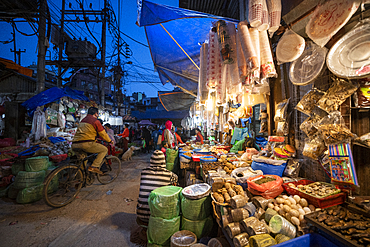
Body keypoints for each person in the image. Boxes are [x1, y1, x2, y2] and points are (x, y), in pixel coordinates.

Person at [136, 150, 178, 224]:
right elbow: (175, 185)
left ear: (151, 161)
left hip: (140, 214)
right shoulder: (170, 175)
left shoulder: (143, 172)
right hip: (158, 217)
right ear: (164, 162)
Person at [71, 107, 112, 174]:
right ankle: (94, 166)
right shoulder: (95, 121)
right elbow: (103, 134)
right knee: (104, 150)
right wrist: (110, 141)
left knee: (83, 162)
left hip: (74, 144)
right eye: (98, 114)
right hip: (86, 144)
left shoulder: (82, 120)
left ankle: (81, 177)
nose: (98, 115)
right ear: (95, 113)